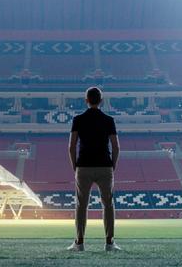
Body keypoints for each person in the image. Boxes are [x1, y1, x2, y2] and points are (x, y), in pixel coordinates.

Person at [66, 87, 121, 252]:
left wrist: (75, 166)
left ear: (86, 100)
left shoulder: (78, 119)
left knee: (81, 205)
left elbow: (71, 146)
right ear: (101, 101)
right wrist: (112, 166)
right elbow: (116, 147)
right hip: (105, 166)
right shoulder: (109, 120)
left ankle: (79, 242)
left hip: (83, 166)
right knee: (108, 204)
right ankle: (109, 243)